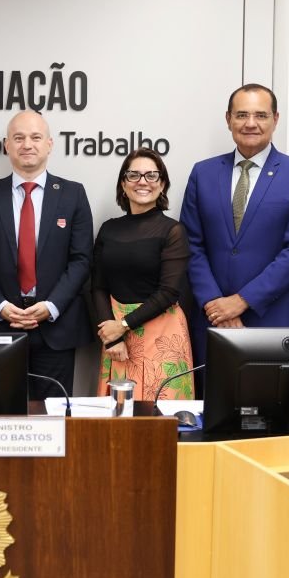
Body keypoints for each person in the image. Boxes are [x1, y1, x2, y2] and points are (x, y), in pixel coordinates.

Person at [180, 83, 289, 368]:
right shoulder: (203, 173)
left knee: (275, 396)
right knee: (213, 395)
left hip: (275, 318)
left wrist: (242, 301)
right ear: (228, 119)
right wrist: (215, 304)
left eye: (261, 115)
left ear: (275, 119)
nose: (250, 123)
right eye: (242, 115)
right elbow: (191, 244)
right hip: (212, 318)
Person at [0, 110, 93, 399]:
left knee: (52, 416)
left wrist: (51, 306)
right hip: (1, 326)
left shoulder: (73, 194)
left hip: (55, 327)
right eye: (19, 138)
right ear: (7, 145)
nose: (27, 144)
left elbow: (81, 259)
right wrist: (0, 305)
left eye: (36, 137)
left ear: (49, 144)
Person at [93, 148, 193, 400]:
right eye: (134, 175)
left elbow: (169, 292)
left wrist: (123, 326)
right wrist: (111, 337)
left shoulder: (173, 231)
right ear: (123, 184)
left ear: (162, 184)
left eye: (151, 175)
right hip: (115, 336)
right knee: (119, 415)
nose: (142, 182)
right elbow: (97, 286)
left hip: (162, 334)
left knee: (162, 415)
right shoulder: (108, 229)